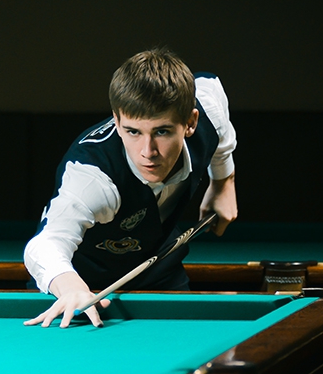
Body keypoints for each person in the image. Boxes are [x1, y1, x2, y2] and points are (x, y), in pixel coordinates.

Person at [24, 47, 237, 328]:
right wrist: (70, 286)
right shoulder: (92, 176)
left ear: (190, 122)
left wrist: (223, 183)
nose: (147, 151)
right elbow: (45, 243)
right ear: (117, 121)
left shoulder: (208, 110)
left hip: (161, 273)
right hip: (81, 294)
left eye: (162, 131)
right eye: (133, 132)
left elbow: (211, 86)